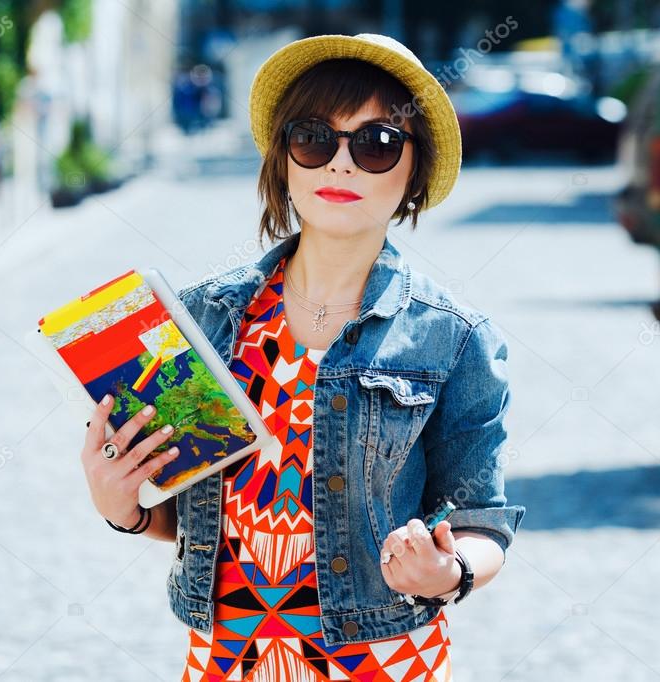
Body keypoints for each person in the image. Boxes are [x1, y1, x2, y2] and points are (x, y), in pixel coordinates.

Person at [79, 33, 526, 680]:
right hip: (226, 661)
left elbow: (482, 522)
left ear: (412, 175)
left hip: (382, 662)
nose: (339, 165)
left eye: (376, 144)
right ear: (284, 162)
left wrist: (448, 571)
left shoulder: (452, 338)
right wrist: (123, 507)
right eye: (314, 138)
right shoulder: (203, 318)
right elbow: (199, 519)